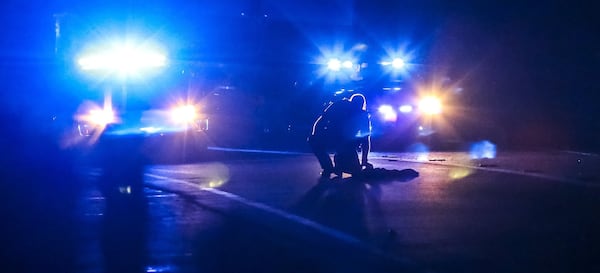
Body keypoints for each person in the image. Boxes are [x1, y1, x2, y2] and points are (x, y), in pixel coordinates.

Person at [308, 93, 372, 178]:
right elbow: (323, 118)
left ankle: (336, 165)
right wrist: (315, 134)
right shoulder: (340, 106)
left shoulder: (361, 115)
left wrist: (364, 160)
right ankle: (329, 166)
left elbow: (365, 138)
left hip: (345, 142)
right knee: (354, 171)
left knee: (355, 171)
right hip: (334, 137)